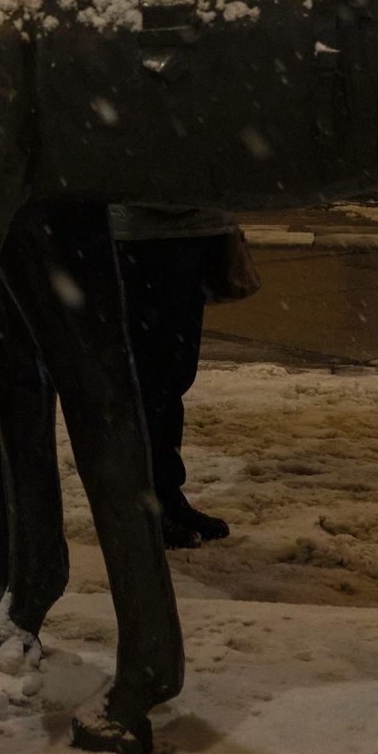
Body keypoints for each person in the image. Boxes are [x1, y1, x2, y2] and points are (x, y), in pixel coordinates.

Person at [111, 207, 253, 549]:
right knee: (149, 379)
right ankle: (142, 504)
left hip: (195, 226)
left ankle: (166, 494)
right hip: (151, 230)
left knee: (174, 376)